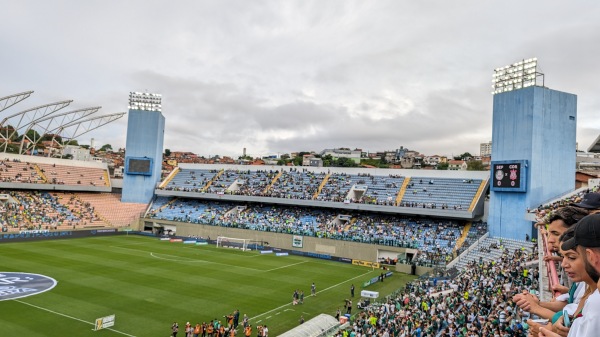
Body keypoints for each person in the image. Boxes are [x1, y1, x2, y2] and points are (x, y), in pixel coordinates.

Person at [540, 214, 600, 337]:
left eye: (572, 257)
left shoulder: (596, 302)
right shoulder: (592, 295)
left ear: (593, 257)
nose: (564, 264)